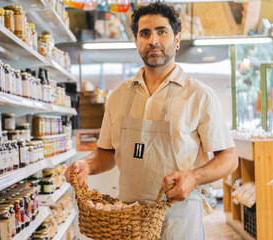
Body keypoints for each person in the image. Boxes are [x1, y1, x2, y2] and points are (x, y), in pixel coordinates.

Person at [65, 2, 238, 239]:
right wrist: (86, 165)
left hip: (179, 218)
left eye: (161, 31)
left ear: (177, 39)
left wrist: (193, 177)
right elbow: (106, 154)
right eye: (144, 33)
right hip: (128, 218)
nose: (152, 40)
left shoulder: (200, 95)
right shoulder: (119, 95)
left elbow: (229, 159)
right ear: (136, 41)